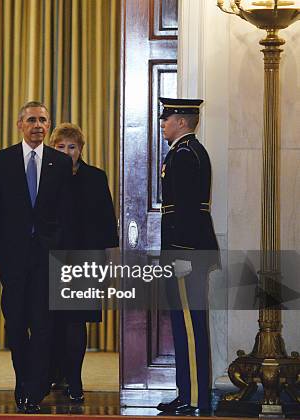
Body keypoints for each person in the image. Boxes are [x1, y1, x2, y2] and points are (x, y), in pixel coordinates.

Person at [0, 101, 73, 413]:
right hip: (12, 259)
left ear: (49, 126)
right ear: (20, 124)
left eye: (44, 120)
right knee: (17, 324)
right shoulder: (2, 160)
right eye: (32, 120)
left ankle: (35, 387)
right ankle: (22, 382)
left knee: (44, 324)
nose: (38, 125)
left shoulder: (60, 163)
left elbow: (66, 214)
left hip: (48, 258)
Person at [156, 97, 218, 415]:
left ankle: (195, 398)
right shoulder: (187, 152)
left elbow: (188, 211)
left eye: (167, 118)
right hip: (187, 252)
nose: (163, 123)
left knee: (190, 327)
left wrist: (180, 254)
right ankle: (187, 394)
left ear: (181, 121)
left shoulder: (184, 154)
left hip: (186, 254)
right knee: (184, 325)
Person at [48, 123, 119, 403]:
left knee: (75, 322)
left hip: (85, 258)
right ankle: (54, 374)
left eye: (72, 147)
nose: (67, 152)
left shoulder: (95, 177)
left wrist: (112, 258)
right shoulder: (45, 176)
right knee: (50, 322)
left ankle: (74, 378)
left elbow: (106, 219)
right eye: (61, 146)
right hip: (51, 257)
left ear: (81, 149)